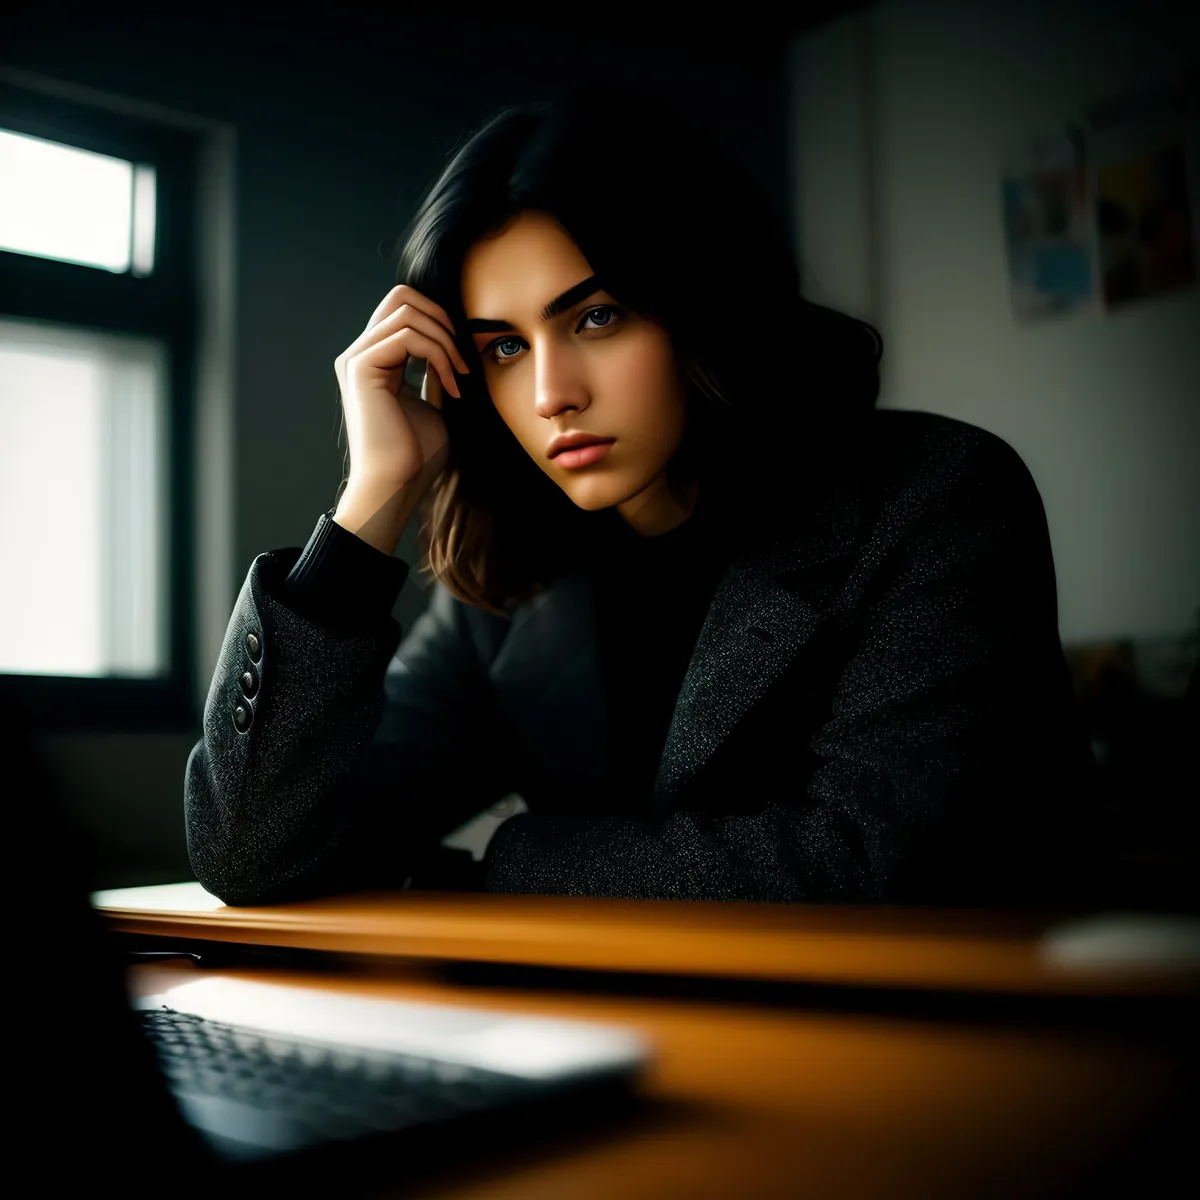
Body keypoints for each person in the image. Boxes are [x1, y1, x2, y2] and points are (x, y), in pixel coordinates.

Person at [184, 83, 1100, 908]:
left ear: (704, 299)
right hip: (593, 1051)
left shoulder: (934, 497)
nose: (550, 395)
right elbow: (253, 858)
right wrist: (369, 506)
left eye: (595, 317)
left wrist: (508, 863)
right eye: (503, 346)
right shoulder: (513, 593)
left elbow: (883, 864)